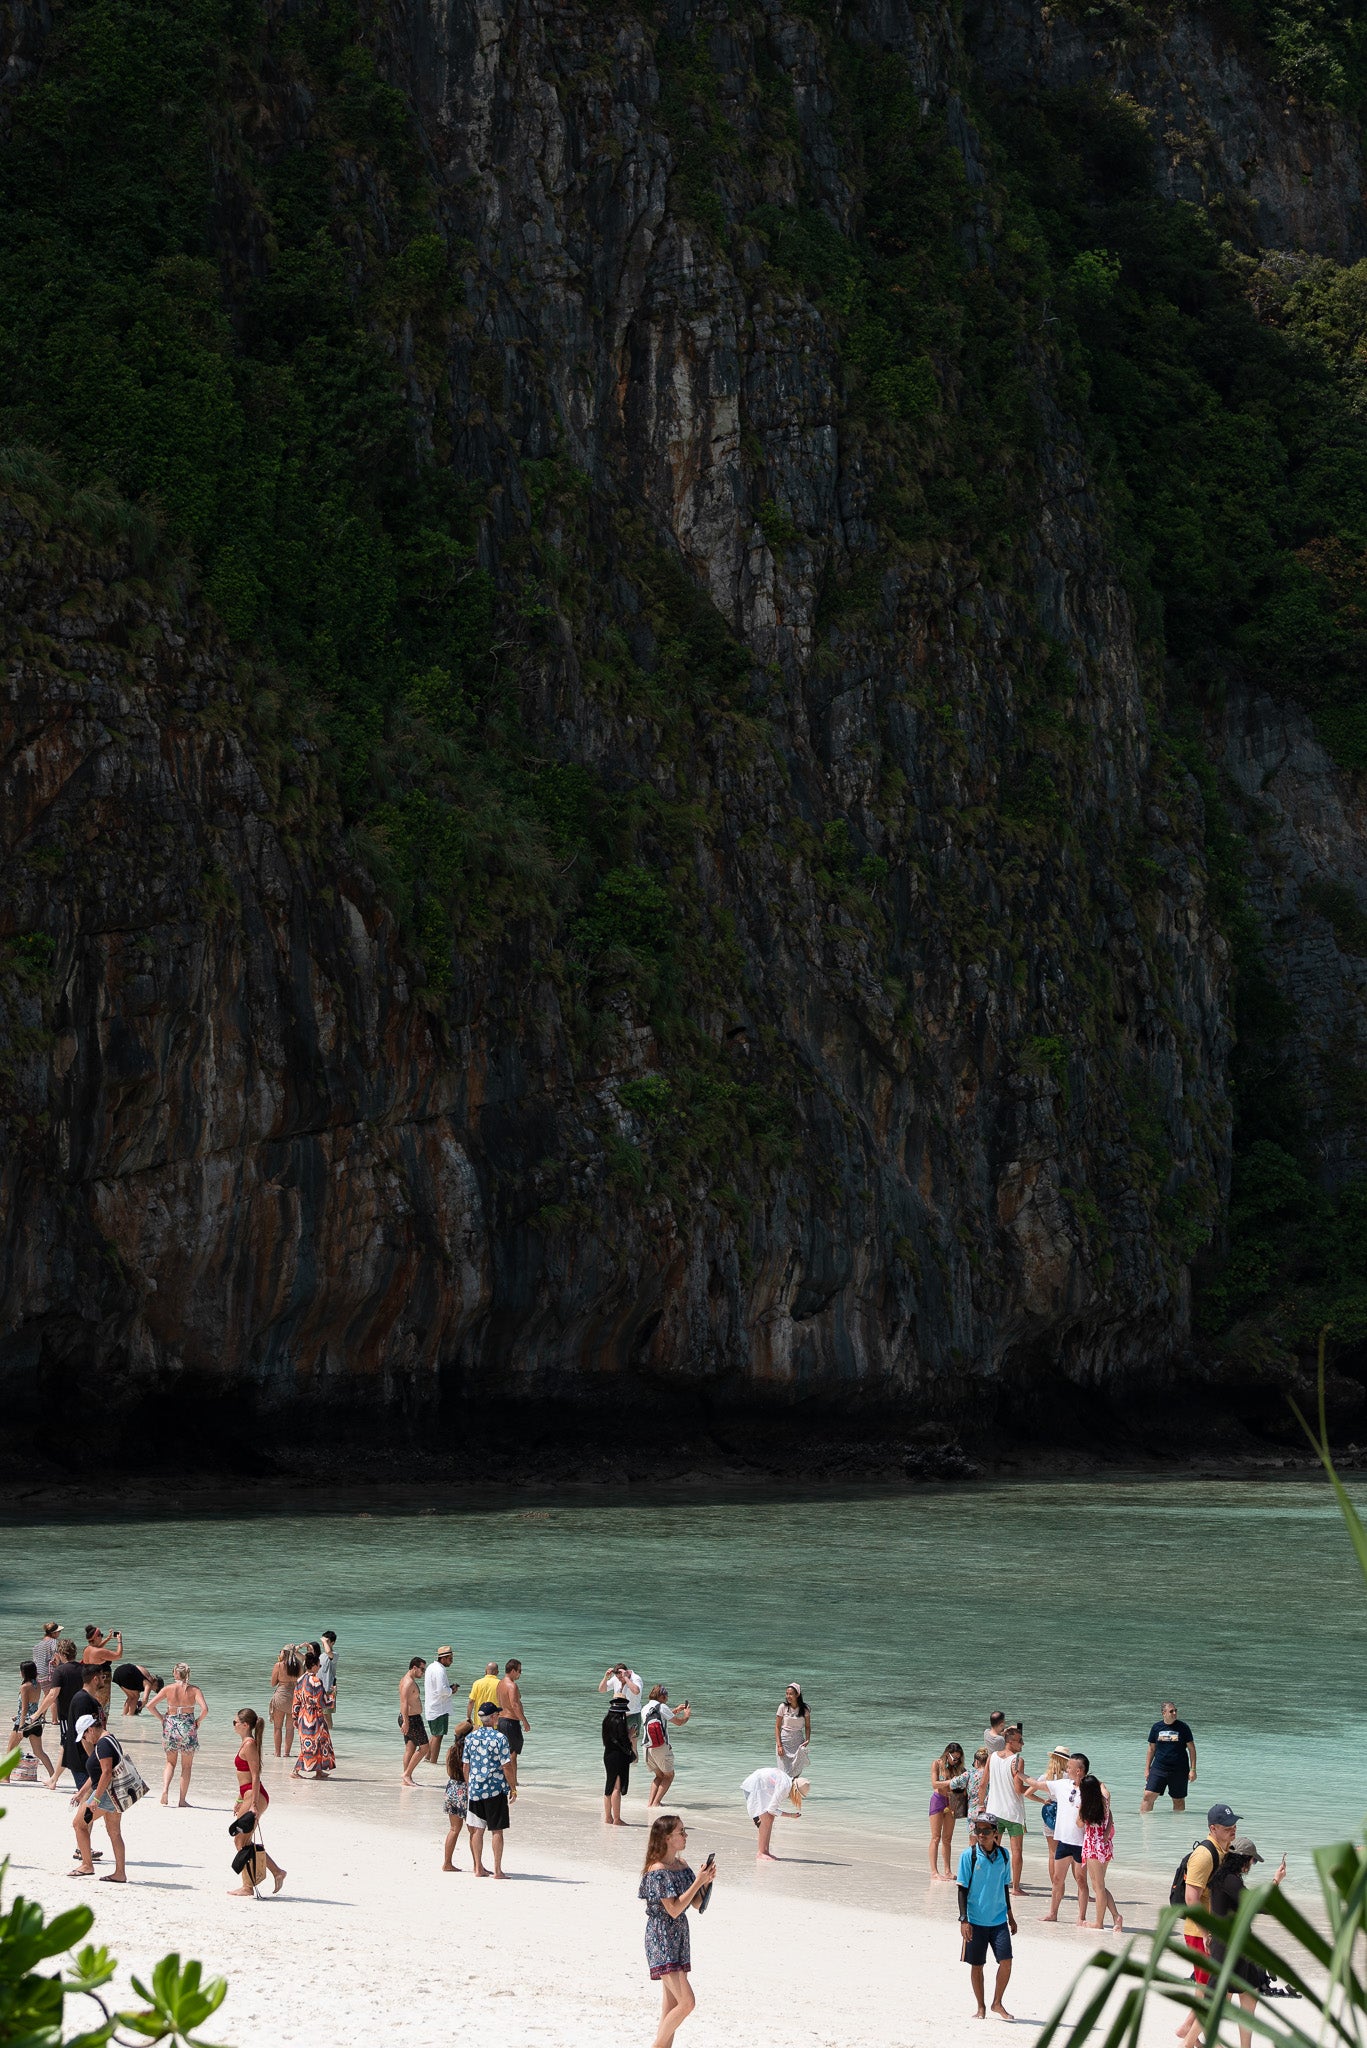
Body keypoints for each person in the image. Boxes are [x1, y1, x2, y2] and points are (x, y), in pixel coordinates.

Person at [639, 1813, 716, 2048]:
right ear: (667, 1838)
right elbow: (673, 1909)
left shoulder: (681, 1865)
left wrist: (706, 1881)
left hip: (680, 1935)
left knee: (671, 2006)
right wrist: (697, 1882)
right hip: (661, 1936)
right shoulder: (657, 1871)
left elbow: (694, 1903)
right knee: (687, 2003)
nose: (685, 1835)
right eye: (681, 1832)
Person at [1206, 1839, 1287, 2048]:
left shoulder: (1222, 1877)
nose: (1251, 1865)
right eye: (1253, 1861)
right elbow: (1255, 1905)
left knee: (1250, 1995)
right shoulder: (1230, 1881)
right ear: (1245, 1859)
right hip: (1230, 1946)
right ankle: (1196, 2042)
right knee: (1220, 1998)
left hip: (1237, 1944)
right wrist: (1276, 1882)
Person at [957, 1814, 1018, 2020]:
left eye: (986, 1831)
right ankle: (980, 2007)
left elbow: (1004, 1886)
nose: (981, 1834)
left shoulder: (1004, 1856)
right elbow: (962, 1889)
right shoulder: (969, 1856)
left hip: (999, 1919)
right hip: (975, 1921)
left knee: (1007, 1961)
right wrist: (964, 1919)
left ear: (996, 1834)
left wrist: (1010, 1915)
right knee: (977, 1965)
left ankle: (997, 2003)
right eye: (978, 1830)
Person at [1181, 1805, 1242, 1992]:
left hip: (1214, 1931)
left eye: (1234, 1825)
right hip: (1200, 1933)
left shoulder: (1225, 1851)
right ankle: (1191, 2023)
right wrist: (1206, 1934)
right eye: (1226, 1827)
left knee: (1212, 1987)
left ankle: (1191, 2023)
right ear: (1212, 1828)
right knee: (1207, 1987)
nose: (1232, 1829)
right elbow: (1191, 1899)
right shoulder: (1204, 1856)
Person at [69, 1709, 130, 1883]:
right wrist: (81, 1793)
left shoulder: (103, 1744)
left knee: (79, 1824)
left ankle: (87, 1865)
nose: (85, 1740)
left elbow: (106, 1773)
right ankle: (120, 1873)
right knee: (114, 1832)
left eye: (84, 1735)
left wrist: (95, 1799)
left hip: (105, 1795)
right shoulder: (110, 1739)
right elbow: (97, 1773)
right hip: (115, 1794)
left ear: (90, 1729)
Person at [1027, 1750, 1088, 1922]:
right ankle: (1053, 1913)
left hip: (1082, 1843)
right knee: (1057, 1879)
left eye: (1070, 1767)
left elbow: (1104, 1800)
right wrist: (1018, 1773)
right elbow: (1036, 1785)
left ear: (1079, 1770)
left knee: (1081, 1880)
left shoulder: (1089, 1787)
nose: (1067, 1770)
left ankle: (1081, 1917)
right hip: (1064, 1841)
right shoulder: (1063, 1784)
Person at [230, 1708, 286, 1895]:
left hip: (256, 1796)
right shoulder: (245, 1743)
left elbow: (255, 1776)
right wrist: (239, 1800)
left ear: (245, 1725)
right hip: (247, 1795)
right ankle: (276, 1872)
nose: (234, 1725)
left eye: (235, 1722)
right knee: (242, 1840)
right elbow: (243, 1778)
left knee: (241, 1839)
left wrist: (253, 1804)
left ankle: (249, 1886)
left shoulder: (249, 1744)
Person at [463, 1699, 517, 1877]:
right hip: (495, 1790)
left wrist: (469, 1785)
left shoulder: (470, 1737)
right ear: (493, 1717)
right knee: (496, 1830)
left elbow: (466, 1765)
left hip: (476, 1789)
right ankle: (497, 1870)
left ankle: (478, 1867)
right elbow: (506, 1765)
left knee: (477, 1830)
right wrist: (513, 1787)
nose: (499, 1717)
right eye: (497, 1714)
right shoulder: (500, 1738)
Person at [149, 1664, 207, 1807]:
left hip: (170, 1725)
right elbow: (205, 1709)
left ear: (175, 1674)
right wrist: (198, 1721)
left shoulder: (168, 1689)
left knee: (170, 1762)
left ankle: (165, 1790)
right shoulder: (194, 1690)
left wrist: (162, 1719)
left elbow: (150, 1705)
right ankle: (182, 1800)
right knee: (186, 1766)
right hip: (188, 1726)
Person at [40, 1638, 90, 1787]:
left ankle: (55, 1780)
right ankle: (55, 1779)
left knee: (66, 1746)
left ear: (60, 1653)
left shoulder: (60, 1671)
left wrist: (38, 1713)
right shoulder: (84, 1669)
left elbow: (52, 1695)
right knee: (79, 1746)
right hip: (84, 1714)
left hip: (67, 1717)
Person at [986, 1724, 1029, 1894]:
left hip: (994, 1811)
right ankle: (1016, 1888)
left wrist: (982, 1805)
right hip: (1012, 1813)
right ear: (1010, 1741)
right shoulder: (1017, 1760)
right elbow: (1019, 1789)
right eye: (1020, 1741)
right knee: (1017, 1851)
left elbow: (983, 1784)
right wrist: (1038, 1788)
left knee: (992, 1848)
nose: (1023, 1744)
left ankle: (991, 1880)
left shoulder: (992, 1757)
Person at [1078, 1772, 1122, 1930]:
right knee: (1099, 1886)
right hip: (1105, 1845)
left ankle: (1099, 1922)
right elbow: (1110, 1815)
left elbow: (1079, 1824)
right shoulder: (1105, 1800)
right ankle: (1116, 1917)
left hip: (1093, 1847)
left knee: (1099, 1886)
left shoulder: (1086, 1805)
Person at [741, 1765, 810, 1861]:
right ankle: (761, 1852)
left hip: (758, 1785)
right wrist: (790, 1815)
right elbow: (771, 1810)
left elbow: (772, 1810)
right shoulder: (784, 1787)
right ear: (795, 1791)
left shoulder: (787, 1782)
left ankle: (765, 1851)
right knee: (766, 1819)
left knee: (770, 1818)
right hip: (754, 1786)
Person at [1142, 1701, 1197, 1813]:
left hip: (1179, 1769)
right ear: (1164, 1713)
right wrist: (1147, 1769)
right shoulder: (1156, 1727)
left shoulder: (1183, 1727)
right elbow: (1151, 1749)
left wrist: (1193, 1770)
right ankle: (1144, 1825)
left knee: (1178, 1800)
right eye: (1171, 1711)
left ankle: (1177, 1828)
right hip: (1159, 1768)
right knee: (1148, 1795)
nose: (1174, 1713)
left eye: (1175, 1710)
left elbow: (1192, 1749)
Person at [8, 1660, 57, 1784]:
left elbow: (24, 1708)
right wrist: (18, 1715)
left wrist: (20, 1726)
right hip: (35, 1721)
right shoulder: (37, 1685)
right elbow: (32, 1706)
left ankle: (5, 1777)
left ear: (24, 1672)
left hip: (24, 1722)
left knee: (10, 1750)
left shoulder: (25, 1687)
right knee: (39, 1752)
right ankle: (53, 1777)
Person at [642, 1685, 692, 1808]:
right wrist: (686, 1715)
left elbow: (661, 1716)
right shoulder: (662, 1707)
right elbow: (679, 1723)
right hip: (660, 1747)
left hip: (647, 1747)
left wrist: (675, 1710)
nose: (667, 1698)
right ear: (662, 1696)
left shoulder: (646, 1707)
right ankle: (656, 1803)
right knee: (669, 1776)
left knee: (659, 1776)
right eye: (666, 1696)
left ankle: (650, 1803)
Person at [292, 1648, 336, 1780]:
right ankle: (295, 1770)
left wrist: (295, 1717)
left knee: (315, 1742)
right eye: (319, 1665)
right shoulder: (316, 1681)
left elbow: (296, 1700)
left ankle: (318, 1771)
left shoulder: (300, 1680)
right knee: (314, 1744)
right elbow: (322, 1702)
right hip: (315, 1717)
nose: (320, 1667)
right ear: (315, 1665)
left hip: (303, 1715)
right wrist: (333, 1694)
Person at [1032, 1745, 1071, 1885]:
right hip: (1065, 1815)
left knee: (1052, 1853)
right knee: (1072, 1854)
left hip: (1050, 1813)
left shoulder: (1046, 1777)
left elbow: (1027, 1793)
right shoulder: (1069, 1777)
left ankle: (1055, 1886)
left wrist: (1043, 1801)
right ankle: (1077, 1888)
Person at [929, 1742, 968, 1880]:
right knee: (936, 1837)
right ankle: (934, 1872)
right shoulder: (937, 1764)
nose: (956, 1761)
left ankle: (948, 1871)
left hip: (952, 1802)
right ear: (947, 1754)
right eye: (954, 1758)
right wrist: (951, 1782)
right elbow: (934, 1784)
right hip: (938, 1800)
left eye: (959, 1758)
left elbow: (965, 1788)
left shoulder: (960, 1769)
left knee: (947, 1838)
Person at [442, 1720, 473, 1871]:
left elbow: (449, 1771)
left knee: (454, 1829)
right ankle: (477, 1865)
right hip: (466, 1790)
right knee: (474, 1830)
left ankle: (447, 1863)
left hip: (452, 1788)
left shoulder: (451, 1750)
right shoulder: (471, 1751)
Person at [599, 1663, 644, 1755]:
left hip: (633, 1714)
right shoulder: (616, 1678)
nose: (619, 1680)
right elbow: (602, 1690)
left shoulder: (636, 1678)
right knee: (618, 1742)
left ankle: (634, 1768)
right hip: (618, 1715)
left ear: (626, 1672)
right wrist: (606, 1677)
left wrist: (626, 1678)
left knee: (632, 1744)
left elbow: (636, 1691)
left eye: (621, 1678)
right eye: (618, 1678)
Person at [603, 1693, 634, 1825]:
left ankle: (608, 1817)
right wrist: (630, 1734)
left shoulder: (606, 1720)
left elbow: (610, 1739)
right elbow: (624, 1742)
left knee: (608, 1786)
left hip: (608, 1754)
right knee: (616, 1787)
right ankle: (617, 1819)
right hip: (618, 1756)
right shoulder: (620, 1721)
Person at [424, 1648, 455, 1767]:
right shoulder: (439, 1670)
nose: (451, 1661)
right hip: (439, 1707)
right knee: (438, 1735)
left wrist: (449, 1689)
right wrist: (452, 1690)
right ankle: (433, 1762)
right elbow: (442, 1690)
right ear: (443, 1658)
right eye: (450, 1659)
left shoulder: (432, 1667)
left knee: (435, 1734)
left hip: (433, 1706)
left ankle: (427, 1758)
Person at [400, 1657, 428, 1784]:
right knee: (425, 1748)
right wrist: (406, 1722)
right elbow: (404, 1703)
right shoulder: (408, 1682)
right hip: (411, 1719)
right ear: (414, 1667)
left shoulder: (408, 1680)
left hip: (410, 1718)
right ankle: (407, 1774)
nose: (423, 1672)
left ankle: (406, 1777)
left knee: (410, 1748)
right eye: (422, 1669)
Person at [269, 1648, 301, 1758]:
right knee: (290, 1728)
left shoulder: (279, 1665)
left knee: (277, 1727)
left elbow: (273, 1683)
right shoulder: (299, 1665)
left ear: (284, 1653)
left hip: (281, 1697)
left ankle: (277, 1753)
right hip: (294, 1698)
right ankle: (287, 1753)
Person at [497, 1659, 530, 1759]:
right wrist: (524, 1721)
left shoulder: (500, 1684)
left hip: (501, 1721)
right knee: (512, 1754)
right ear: (513, 1671)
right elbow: (514, 1705)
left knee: (504, 1753)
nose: (520, 1673)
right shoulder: (512, 1686)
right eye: (519, 1670)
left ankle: (506, 1775)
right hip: (510, 1722)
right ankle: (513, 1775)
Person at [775, 1683, 810, 1775]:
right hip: (784, 1741)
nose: (788, 1696)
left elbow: (807, 1726)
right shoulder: (783, 1707)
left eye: (790, 1694)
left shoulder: (805, 1709)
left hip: (798, 1742)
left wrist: (807, 1739)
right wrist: (779, 1745)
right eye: (787, 1694)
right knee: (784, 1773)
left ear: (797, 1694)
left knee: (796, 1771)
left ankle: (794, 1789)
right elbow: (777, 1727)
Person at [33, 1623, 62, 1691]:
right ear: (53, 1633)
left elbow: (36, 1661)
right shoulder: (54, 1642)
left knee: (48, 1696)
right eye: (59, 1631)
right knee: (53, 1698)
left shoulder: (37, 1646)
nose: (60, 1633)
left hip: (40, 1675)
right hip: (50, 1674)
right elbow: (56, 1656)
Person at [318, 1632, 337, 1726]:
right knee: (319, 1714)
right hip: (319, 1689)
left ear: (332, 1643)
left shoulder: (335, 1655)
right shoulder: (321, 1656)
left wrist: (325, 1641)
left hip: (328, 1689)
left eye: (327, 1641)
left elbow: (329, 1653)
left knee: (327, 1715)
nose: (323, 1642)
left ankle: (330, 1733)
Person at [967, 1746, 991, 1820]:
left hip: (975, 1811)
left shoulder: (971, 1773)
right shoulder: (994, 1774)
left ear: (977, 1761)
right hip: (991, 1810)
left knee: (974, 1831)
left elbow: (954, 1784)